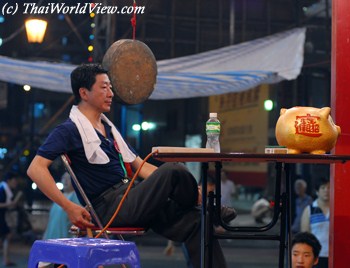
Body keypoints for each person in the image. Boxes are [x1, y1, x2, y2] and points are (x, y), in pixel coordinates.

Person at [27, 63, 233, 268]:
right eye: (104, 87)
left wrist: (185, 187)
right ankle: (207, 205)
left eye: (110, 87)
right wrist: (68, 206)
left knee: (198, 221)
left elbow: (141, 167)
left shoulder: (109, 129)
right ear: (84, 92)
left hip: (133, 197)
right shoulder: (68, 130)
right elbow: (35, 169)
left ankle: (205, 208)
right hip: (111, 208)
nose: (111, 93)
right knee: (174, 169)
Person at [300, 177, 330, 268]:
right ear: (317, 191)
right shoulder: (309, 210)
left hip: (335, 255)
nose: (326, 191)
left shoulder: (337, 209)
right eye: (323, 188)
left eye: (329, 188)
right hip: (316, 256)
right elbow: (305, 235)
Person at [43, 172, 80, 239]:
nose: (65, 181)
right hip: (51, 236)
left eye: (68, 178)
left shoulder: (75, 196)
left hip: (65, 237)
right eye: (63, 178)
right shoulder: (59, 197)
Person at [0, 172, 23, 267]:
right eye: (14, 181)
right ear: (8, 181)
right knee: (7, 235)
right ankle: (6, 260)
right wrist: (12, 204)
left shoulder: (4, 188)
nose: (16, 183)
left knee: (6, 236)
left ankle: (6, 259)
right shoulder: (2, 189)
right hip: (1, 216)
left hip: (2, 216)